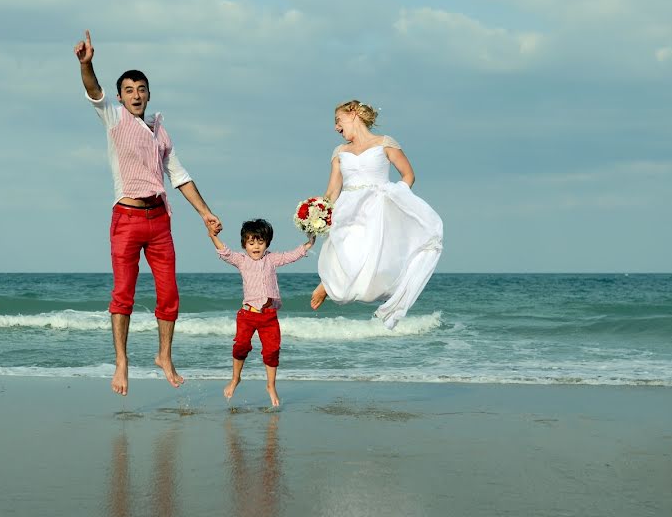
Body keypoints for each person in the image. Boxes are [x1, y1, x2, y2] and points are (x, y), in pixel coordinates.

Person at [74, 29, 222, 396]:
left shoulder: (159, 130)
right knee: (123, 293)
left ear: (148, 94)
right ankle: (122, 362)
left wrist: (205, 213)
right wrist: (87, 64)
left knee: (169, 293)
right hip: (126, 218)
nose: (136, 95)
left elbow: (179, 175)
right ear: (121, 97)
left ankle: (164, 356)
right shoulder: (114, 118)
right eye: (129, 90)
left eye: (141, 89)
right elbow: (94, 92)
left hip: (159, 220)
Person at [310, 100, 443, 329]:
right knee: (347, 251)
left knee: (376, 257)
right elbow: (333, 190)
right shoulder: (340, 152)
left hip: (377, 206)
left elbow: (408, 175)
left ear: (352, 114)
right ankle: (328, 284)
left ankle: (367, 292)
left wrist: (396, 197)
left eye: (337, 120)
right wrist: (317, 216)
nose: (335, 127)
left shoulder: (385, 143)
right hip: (348, 208)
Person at [208, 219, 315, 406]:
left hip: (269, 315)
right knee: (241, 345)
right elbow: (225, 252)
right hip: (247, 314)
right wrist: (213, 236)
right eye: (251, 242)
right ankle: (235, 379)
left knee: (272, 351)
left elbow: (292, 255)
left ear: (267, 243)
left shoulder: (272, 259)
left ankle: (271, 386)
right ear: (244, 244)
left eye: (260, 242)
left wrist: (309, 242)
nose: (256, 246)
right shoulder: (241, 260)